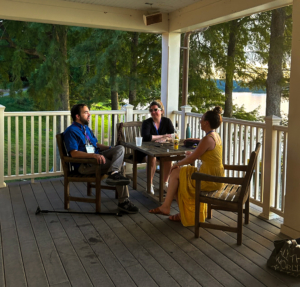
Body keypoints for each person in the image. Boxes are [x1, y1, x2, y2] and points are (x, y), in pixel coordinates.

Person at [149, 106, 224, 226]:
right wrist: (192, 154)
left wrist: (177, 164)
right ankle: (170, 208)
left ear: (206, 122)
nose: (200, 121)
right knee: (176, 175)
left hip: (209, 179)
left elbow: (192, 159)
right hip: (213, 174)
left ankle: (171, 208)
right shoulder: (215, 136)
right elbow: (206, 156)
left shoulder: (207, 139)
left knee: (176, 174)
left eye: (202, 119)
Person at [63, 104, 139, 214]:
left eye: (88, 111)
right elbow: (73, 153)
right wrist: (93, 155)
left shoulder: (85, 128)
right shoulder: (71, 131)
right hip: (85, 164)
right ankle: (123, 201)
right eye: (85, 112)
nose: (89, 114)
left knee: (120, 149)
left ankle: (113, 173)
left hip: (97, 158)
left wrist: (110, 148)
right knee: (119, 165)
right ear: (77, 116)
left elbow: (96, 144)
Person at [139, 100, 175, 194]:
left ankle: (164, 183)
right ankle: (149, 185)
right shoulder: (147, 123)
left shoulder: (167, 121)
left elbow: (172, 135)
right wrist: (163, 136)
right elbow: (146, 137)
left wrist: (165, 139)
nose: (153, 112)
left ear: (161, 111)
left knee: (169, 158)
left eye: (155, 109)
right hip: (146, 151)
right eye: (151, 110)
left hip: (162, 150)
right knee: (152, 158)